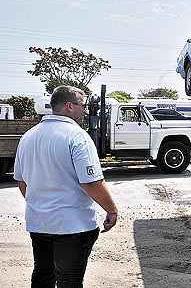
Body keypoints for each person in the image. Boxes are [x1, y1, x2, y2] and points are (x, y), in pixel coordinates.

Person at [14, 85, 118, 288]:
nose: (85, 110)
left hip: (38, 224)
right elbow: (91, 182)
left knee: (43, 276)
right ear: (69, 106)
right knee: (69, 281)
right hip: (72, 227)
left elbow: (22, 182)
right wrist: (111, 210)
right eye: (83, 105)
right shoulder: (77, 136)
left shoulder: (28, 137)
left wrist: (41, 205)